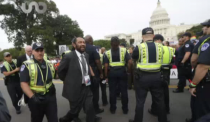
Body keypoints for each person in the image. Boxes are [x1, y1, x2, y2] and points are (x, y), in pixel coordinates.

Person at [58, 37, 101, 122]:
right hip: (74, 88)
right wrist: (68, 81)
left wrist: (92, 76)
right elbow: (60, 71)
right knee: (75, 109)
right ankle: (66, 119)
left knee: (89, 107)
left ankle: (91, 119)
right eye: (80, 42)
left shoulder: (86, 55)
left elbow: (87, 67)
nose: (82, 44)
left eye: (84, 42)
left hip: (86, 86)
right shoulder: (68, 56)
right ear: (74, 45)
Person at [129, 27, 168, 122]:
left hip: (142, 77)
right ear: (153, 36)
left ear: (143, 37)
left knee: (140, 102)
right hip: (157, 76)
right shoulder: (160, 46)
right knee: (160, 102)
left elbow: (134, 59)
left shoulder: (139, 47)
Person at [20, 42, 58, 122]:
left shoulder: (49, 63)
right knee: (36, 119)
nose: (40, 53)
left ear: (44, 51)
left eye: (41, 50)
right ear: (32, 52)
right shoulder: (27, 65)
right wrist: (33, 97)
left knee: (54, 119)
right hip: (35, 97)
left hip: (50, 97)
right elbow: (23, 83)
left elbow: (55, 76)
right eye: (37, 50)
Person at [187, 19, 210, 122]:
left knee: (203, 112)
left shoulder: (206, 40)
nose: (204, 28)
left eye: (206, 26)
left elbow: (201, 65)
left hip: (205, 83)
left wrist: (193, 85)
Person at [104, 36, 132, 114]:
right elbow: (130, 62)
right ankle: (125, 109)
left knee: (112, 91)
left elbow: (106, 66)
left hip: (112, 72)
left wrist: (106, 75)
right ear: (119, 43)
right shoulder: (124, 50)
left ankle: (113, 109)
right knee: (124, 91)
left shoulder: (107, 52)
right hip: (122, 72)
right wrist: (128, 71)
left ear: (110, 43)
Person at [149, 34, 175, 115]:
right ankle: (166, 109)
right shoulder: (170, 49)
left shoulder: (154, 49)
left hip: (156, 72)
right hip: (166, 72)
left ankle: (155, 110)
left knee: (156, 93)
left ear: (157, 40)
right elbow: (173, 61)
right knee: (165, 92)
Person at [84, 35, 104, 114]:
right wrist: (101, 72)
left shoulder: (81, 48)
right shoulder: (93, 48)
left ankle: (86, 108)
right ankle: (95, 109)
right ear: (90, 40)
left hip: (85, 74)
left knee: (87, 91)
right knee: (95, 91)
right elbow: (97, 62)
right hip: (94, 74)